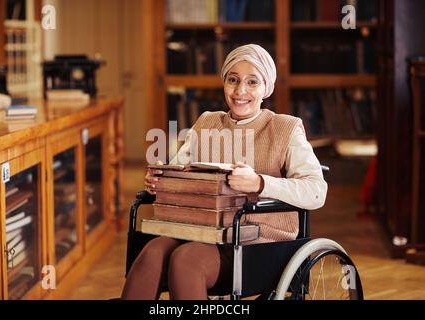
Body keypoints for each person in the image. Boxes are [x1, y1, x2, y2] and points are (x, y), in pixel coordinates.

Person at [121, 44, 327, 300]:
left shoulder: (285, 128)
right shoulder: (206, 122)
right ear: (224, 83)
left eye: (252, 82)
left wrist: (260, 183)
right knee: (151, 254)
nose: (240, 91)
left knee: (186, 261)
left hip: (257, 242)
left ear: (266, 88)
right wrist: (160, 182)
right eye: (233, 80)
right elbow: (176, 171)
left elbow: (317, 192)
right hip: (200, 230)